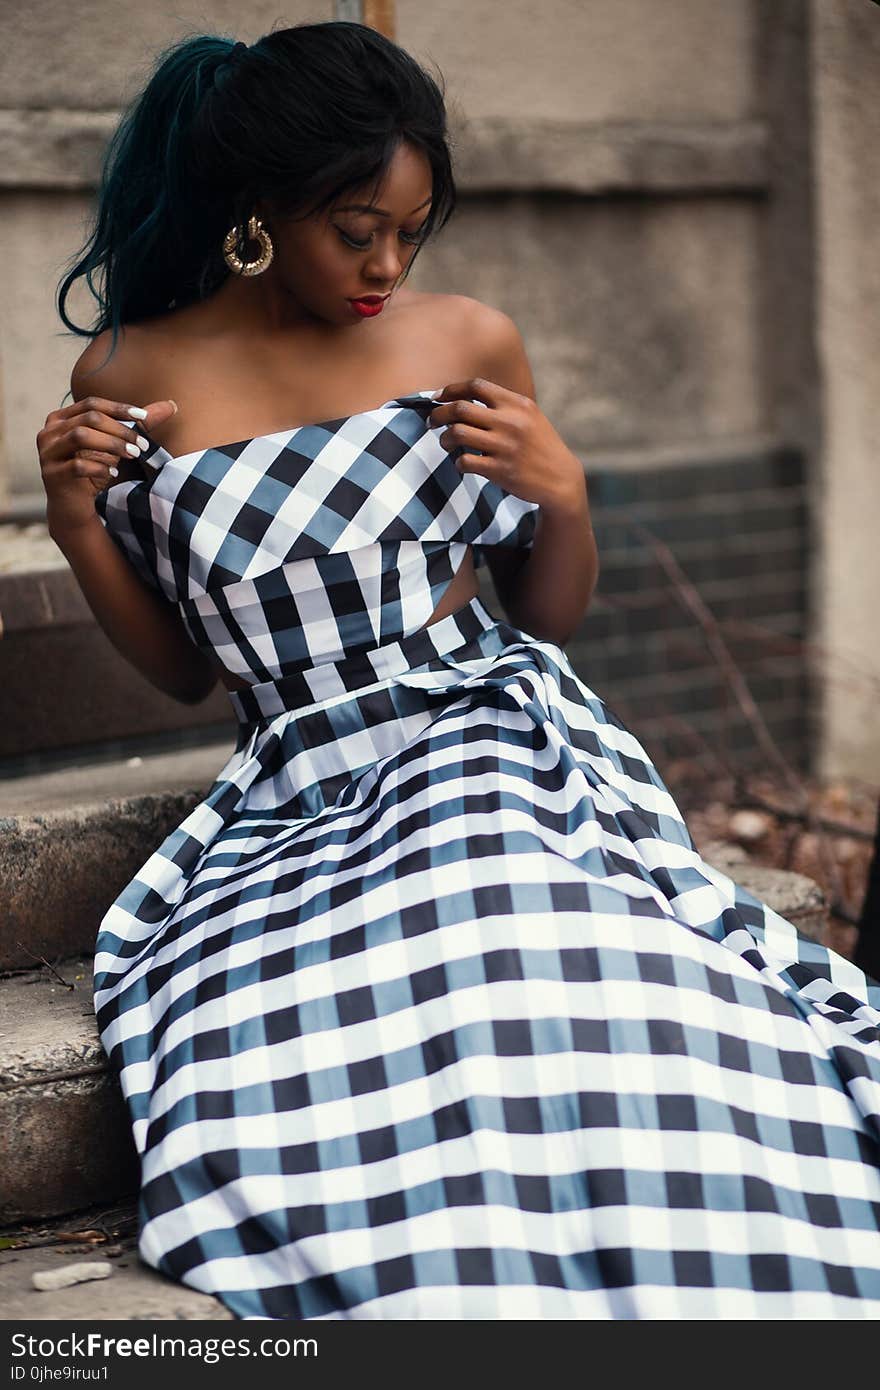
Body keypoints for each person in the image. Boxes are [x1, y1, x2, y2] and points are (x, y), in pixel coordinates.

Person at [40, 22, 880, 1320]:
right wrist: (81, 522)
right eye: (353, 228)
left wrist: (567, 496)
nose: (387, 264)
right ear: (261, 208)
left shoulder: (467, 338)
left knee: (522, 948)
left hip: (478, 736)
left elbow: (548, 616)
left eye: (410, 230)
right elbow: (183, 681)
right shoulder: (131, 379)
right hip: (292, 791)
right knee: (271, 1059)